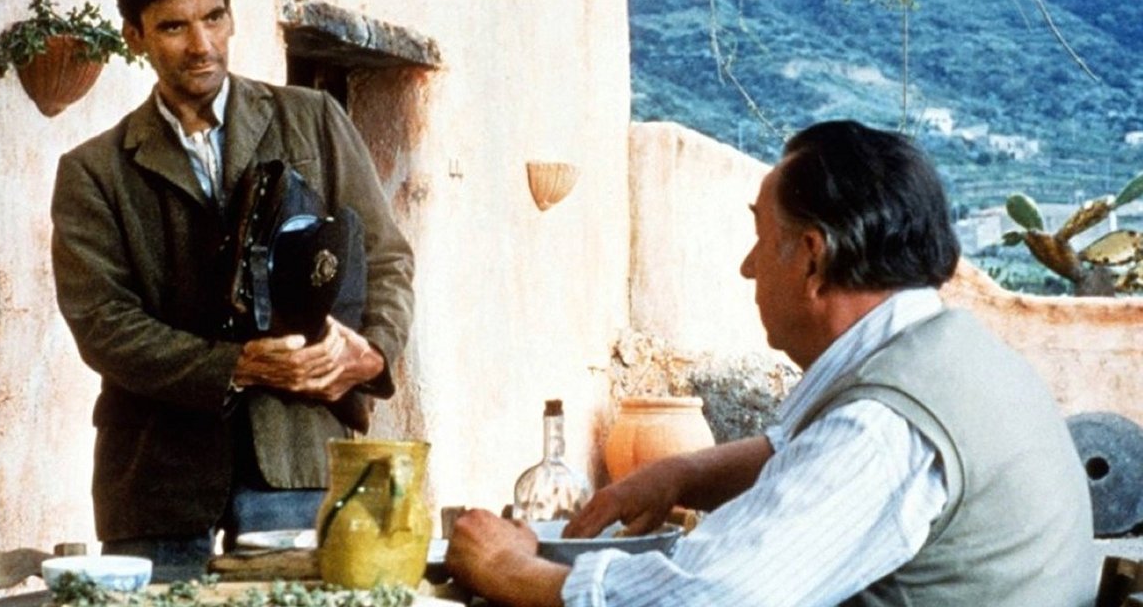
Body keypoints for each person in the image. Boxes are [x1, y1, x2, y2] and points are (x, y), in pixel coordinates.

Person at [446, 120, 1095, 606]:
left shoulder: (878, 428)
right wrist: (677, 475)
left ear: (813, 257)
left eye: (761, 238)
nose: (748, 267)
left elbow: (710, 598)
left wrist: (510, 569)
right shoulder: (950, 355)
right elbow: (802, 453)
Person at [50, 0, 414, 580]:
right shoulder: (93, 172)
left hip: (300, 460)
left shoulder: (314, 118)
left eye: (214, 17)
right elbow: (104, 324)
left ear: (231, 17)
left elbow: (385, 258)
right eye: (173, 26)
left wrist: (372, 352)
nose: (202, 44)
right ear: (134, 36)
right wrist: (235, 366)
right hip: (158, 481)